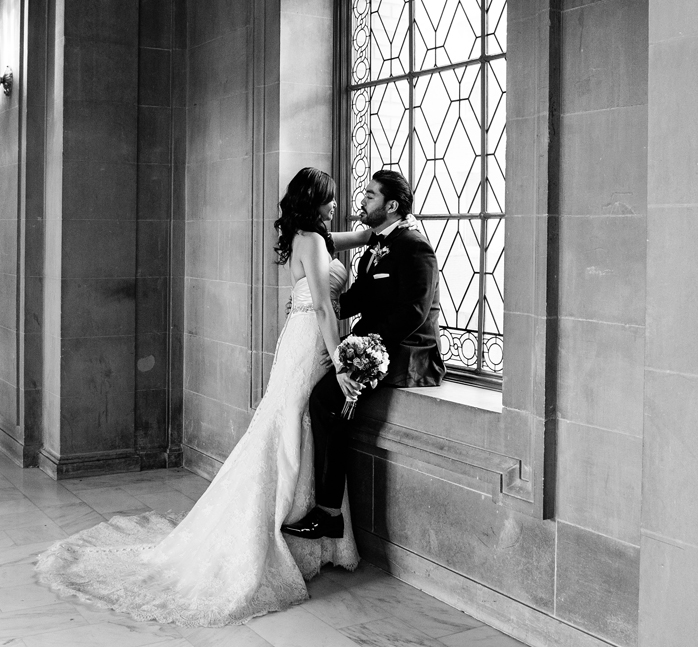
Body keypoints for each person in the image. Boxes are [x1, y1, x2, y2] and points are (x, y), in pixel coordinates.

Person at [35, 167, 361, 627]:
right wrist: (340, 361)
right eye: (329, 199)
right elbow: (325, 307)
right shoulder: (312, 240)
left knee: (291, 422)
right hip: (310, 339)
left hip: (300, 337)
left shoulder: (312, 237)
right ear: (314, 202)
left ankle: (306, 527)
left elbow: (338, 243)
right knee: (287, 425)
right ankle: (274, 526)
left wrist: (371, 232)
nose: (335, 205)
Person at [282, 169, 445, 540]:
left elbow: (414, 313)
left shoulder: (413, 246)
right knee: (324, 399)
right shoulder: (377, 244)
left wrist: (366, 350)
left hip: (405, 355)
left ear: (391, 205)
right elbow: (357, 298)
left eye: (370, 195)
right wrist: (309, 303)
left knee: (326, 401)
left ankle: (328, 514)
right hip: (368, 346)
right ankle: (324, 508)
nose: (361, 200)